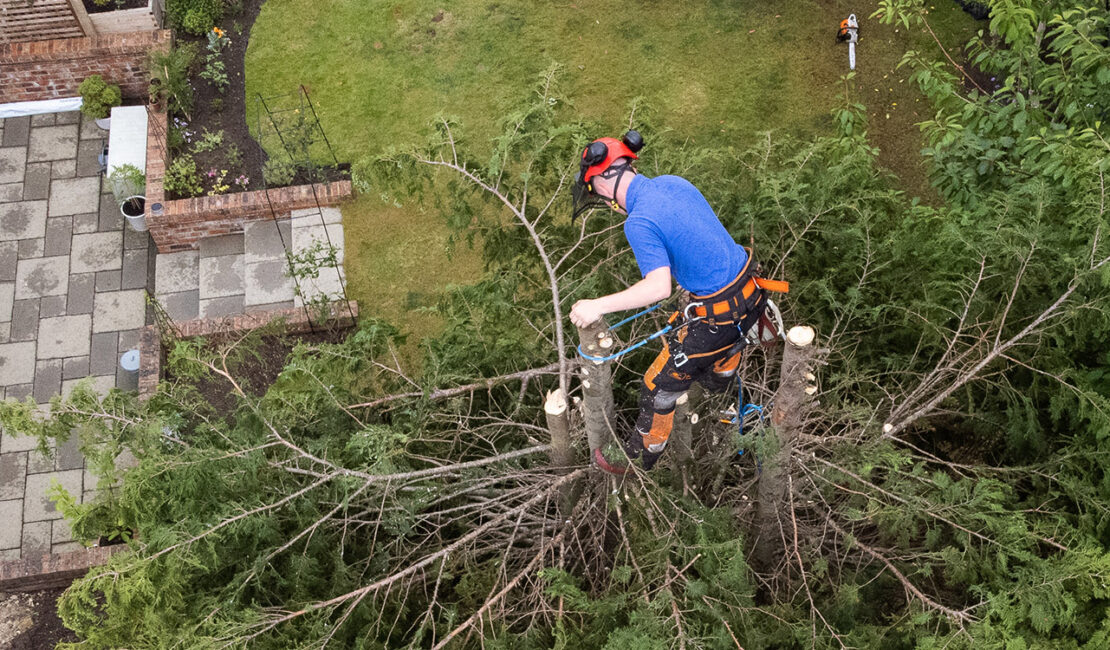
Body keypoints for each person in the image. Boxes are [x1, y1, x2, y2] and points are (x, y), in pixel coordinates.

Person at [569, 132, 785, 474]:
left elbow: (658, 288)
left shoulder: (638, 222)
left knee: (656, 386)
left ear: (604, 181)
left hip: (721, 318)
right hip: (752, 296)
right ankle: (719, 375)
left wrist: (597, 305)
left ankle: (643, 453)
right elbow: (699, 238)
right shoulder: (673, 183)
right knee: (706, 338)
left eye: (594, 189)